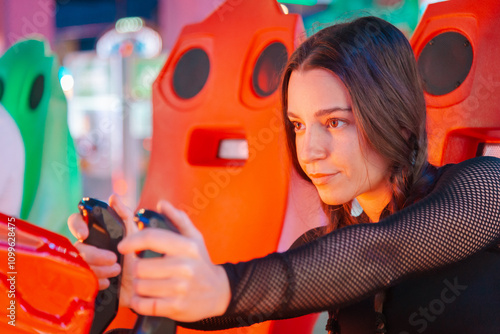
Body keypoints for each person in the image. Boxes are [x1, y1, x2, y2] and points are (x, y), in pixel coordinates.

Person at [68, 16, 500, 333]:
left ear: (398, 120)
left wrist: (221, 285)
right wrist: (136, 274)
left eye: (335, 122)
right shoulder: (323, 251)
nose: (309, 151)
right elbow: (226, 308)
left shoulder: (484, 189)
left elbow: (382, 251)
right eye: (298, 125)